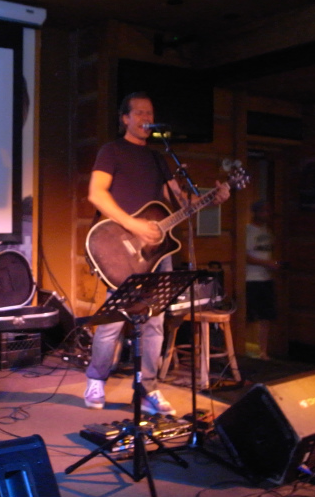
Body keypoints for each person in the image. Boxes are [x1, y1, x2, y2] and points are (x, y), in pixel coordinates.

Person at [84, 91, 230, 415]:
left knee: (155, 321)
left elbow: (182, 203)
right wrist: (133, 225)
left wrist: (212, 199)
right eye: (139, 112)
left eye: (149, 113)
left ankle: (147, 388)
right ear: (125, 118)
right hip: (121, 246)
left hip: (158, 250)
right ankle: (96, 379)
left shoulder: (159, 158)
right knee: (113, 320)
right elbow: (96, 194)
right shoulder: (112, 151)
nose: (146, 118)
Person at [245, 200, 280, 360]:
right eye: (263, 211)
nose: (266, 214)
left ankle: (263, 351)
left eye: (268, 211)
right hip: (251, 279)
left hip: (266, 278)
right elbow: (245, 256)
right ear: (256, 212)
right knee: (249, 315)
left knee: (266, 316)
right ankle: (245, 348)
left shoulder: (268, 231)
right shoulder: (248, 231)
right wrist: (267, 263)